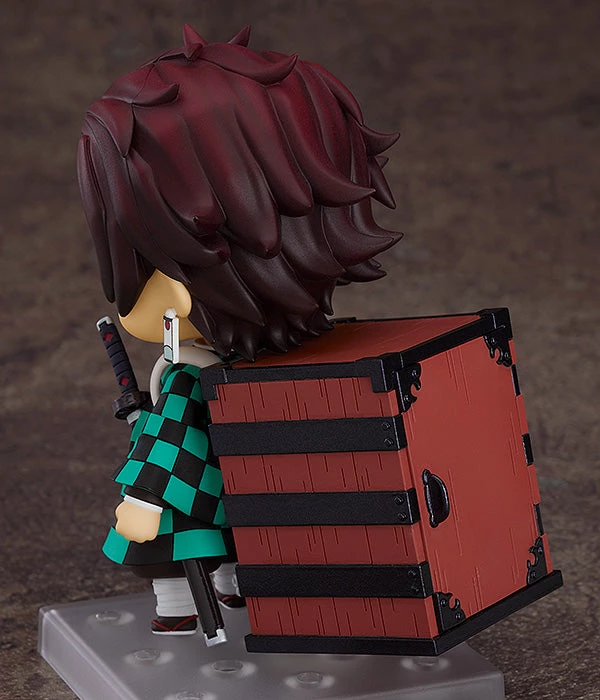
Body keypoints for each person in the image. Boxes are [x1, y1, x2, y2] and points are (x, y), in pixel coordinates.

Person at [77, 24, 402, 639]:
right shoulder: (278, 372)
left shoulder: (189, 377)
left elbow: (167, 446)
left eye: (142, 266)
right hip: (248, 508)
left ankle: (190, 605)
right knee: (228, 551)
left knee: (176, 559)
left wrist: (143, 500)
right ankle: (232, 591)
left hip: (199, 502)